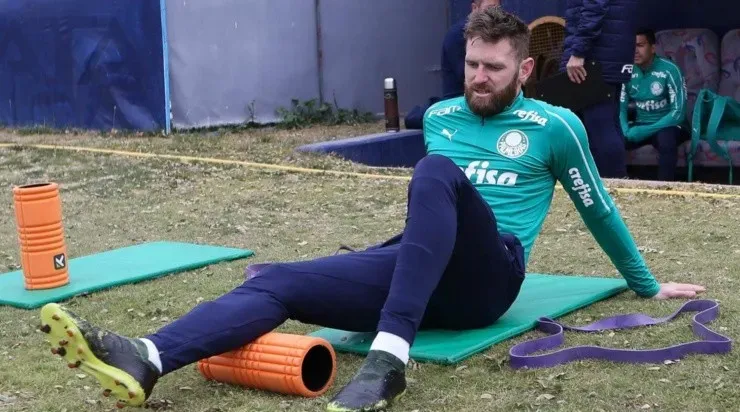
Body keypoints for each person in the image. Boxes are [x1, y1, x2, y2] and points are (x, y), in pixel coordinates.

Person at [39, 8, 706, 412]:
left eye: (494, 69)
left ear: (524, 71)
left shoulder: (555, 126)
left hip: (489, 278)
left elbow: (599, 207)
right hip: (422, 270)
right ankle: (150, 358)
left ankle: (389, 361)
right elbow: (428, 216)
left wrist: (648, 285)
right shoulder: (443, 116)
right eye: (472, 65)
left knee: (436, 172)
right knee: (277, 280)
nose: (478, 78)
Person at [560, 0, 639, 178]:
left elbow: (594, 7)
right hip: (610, 52)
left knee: (599, 123)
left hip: (596, 55)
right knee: (607, 122)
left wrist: (579, 51)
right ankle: (617, 183)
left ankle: (614, 184)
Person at [404, 0, 500, 129]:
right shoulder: (457, 35)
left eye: (498, 9)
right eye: (490, 8)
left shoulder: (495, 34)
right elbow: (469, 78)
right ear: (474, 8)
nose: (494, 14)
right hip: (458, 99)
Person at [620, 28, 688, 181]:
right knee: (613, 139)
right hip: (641, 123)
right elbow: (621, 107)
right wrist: (624, 130)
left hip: (669, 124)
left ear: (653, 47)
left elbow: (678, 113)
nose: (635, 51)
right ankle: (616, 184)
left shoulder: (670, 70)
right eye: (632, 46)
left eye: (640, 45)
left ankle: (664, 189)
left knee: (666, 140)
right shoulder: (627, 70)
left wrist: (645, 131)